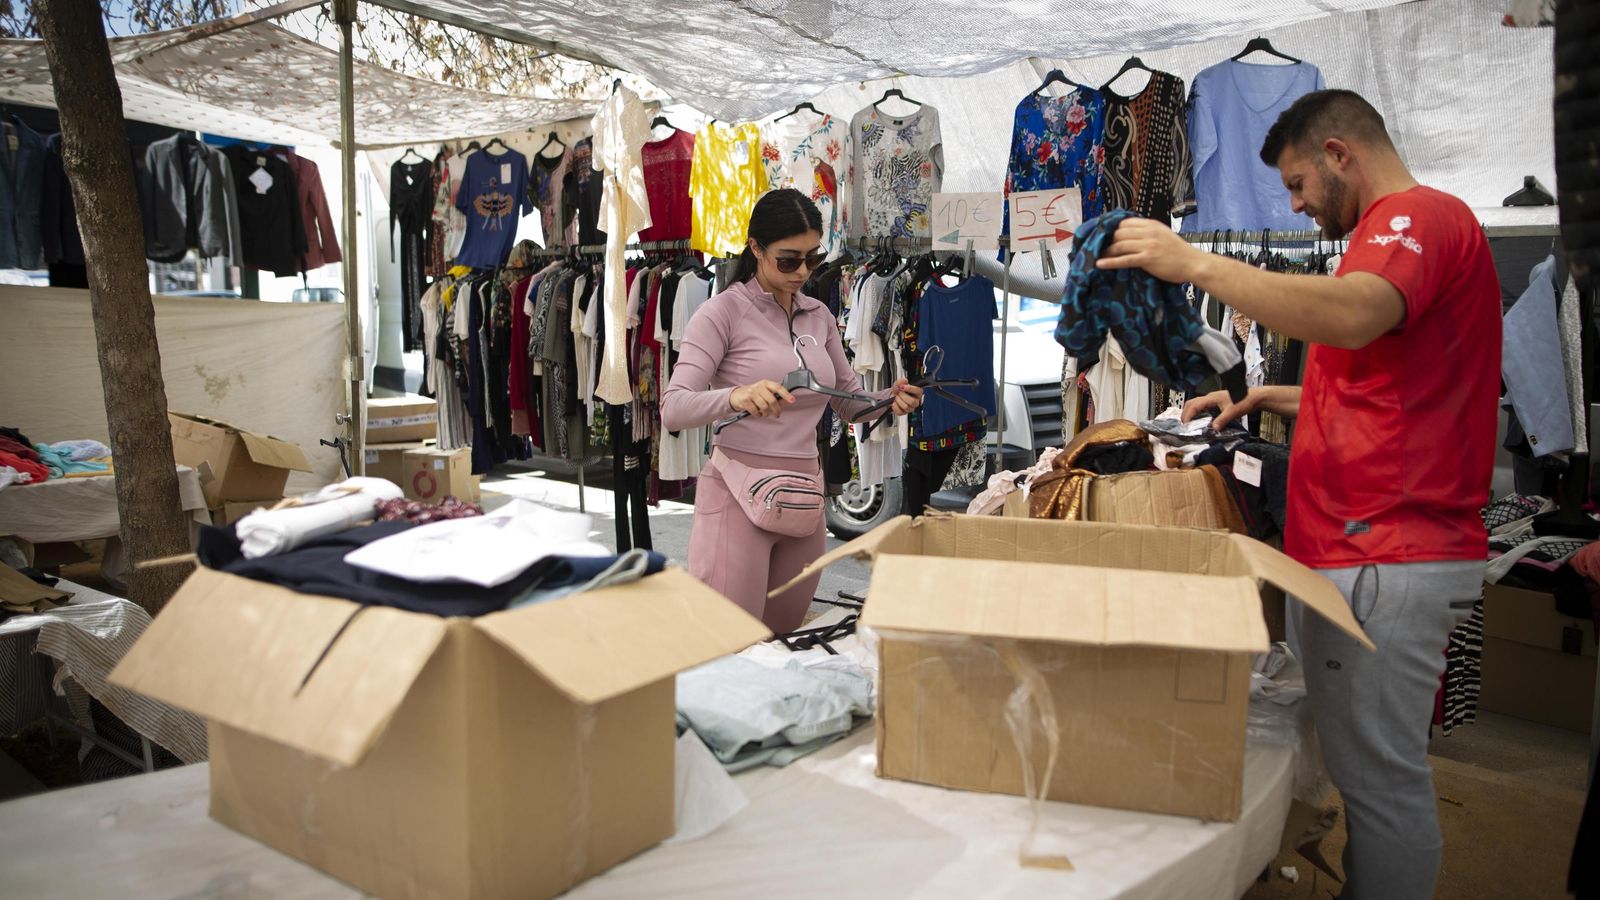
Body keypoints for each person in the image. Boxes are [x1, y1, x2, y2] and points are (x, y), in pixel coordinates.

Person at [1098, 89, 1500, 900]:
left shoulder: (1416, 217)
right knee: (1370, 774)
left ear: (1339, 154)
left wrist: (1196, 263)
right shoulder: (1393, 237)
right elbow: (1383, 380)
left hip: (1386, 550)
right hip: (1369, 549)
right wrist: (1262, 401)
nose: (1295, 205)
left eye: (1297, 184)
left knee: (1378, 784)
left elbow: (1351, 320)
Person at [661, 189, 922, 633]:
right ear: (756, 248)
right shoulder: (720, 313)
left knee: (783, 641)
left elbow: (845, 399)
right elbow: (673, 408)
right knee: (731, 646)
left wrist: (888, 401)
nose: (802, 271)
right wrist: (734, 396)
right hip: (736, 499)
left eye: (812, 259)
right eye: (788, 260)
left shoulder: (818, 314)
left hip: (804, 499)